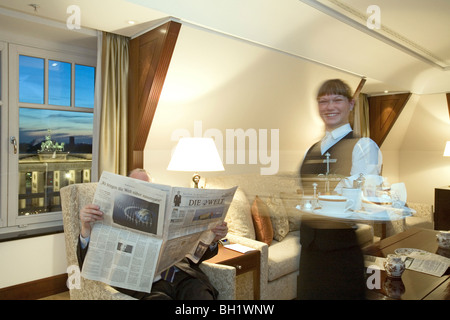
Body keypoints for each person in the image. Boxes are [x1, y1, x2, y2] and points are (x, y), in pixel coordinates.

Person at [77, 168, 228, 300]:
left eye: (147, 187)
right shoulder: (110, 215)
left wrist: (213, 239)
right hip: (144, 286)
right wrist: (86, 227)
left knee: (200, 295)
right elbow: (88, 263)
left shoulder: (166, 215)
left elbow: (195, 256)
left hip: (182, 277)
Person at [297, 79, 382, 299]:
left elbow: (361, 198)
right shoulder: (312, 148)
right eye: (323, 101)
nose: (329, 106)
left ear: (351, 104)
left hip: (340, 252)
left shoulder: (363, 146)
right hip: (308, 251)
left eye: (337, 100)